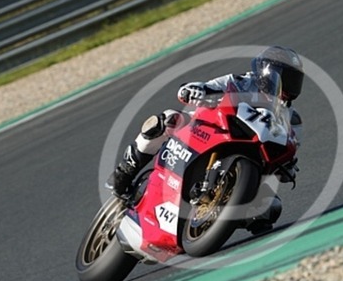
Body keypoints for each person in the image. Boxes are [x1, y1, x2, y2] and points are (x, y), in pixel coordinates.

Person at [111, 46, 305, 199]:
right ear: (267, 72)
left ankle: (225, 207)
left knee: (270, 207)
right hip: (213, 129)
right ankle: (124, 172)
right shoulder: (240, 82)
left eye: (294, 80)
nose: (290, 86)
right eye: (286, 78)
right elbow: (205, 87)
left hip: (252, 155)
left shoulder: (292, 118)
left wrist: (288, 166)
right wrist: (195, 90)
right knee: (167, 120)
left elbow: (290, 149)